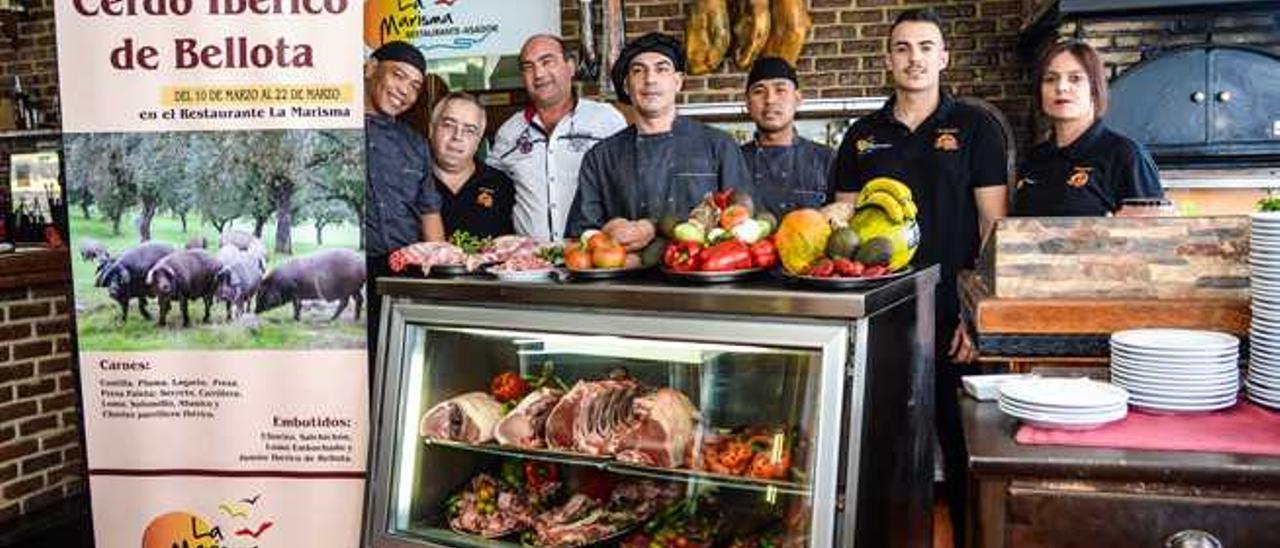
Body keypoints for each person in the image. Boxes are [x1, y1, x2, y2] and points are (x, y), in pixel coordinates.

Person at [827, 9, 1008, 546]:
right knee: (885, 444)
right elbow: (842, 227)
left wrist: (979, 313)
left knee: (961, 445)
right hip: (884, 311)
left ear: (943, 58)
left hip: (954, 310)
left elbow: (994, 227)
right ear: (888, 59)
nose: (914, 58)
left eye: (926, 47)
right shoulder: (862, 137)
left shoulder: (976, 129)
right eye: (903, 48)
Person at [566, 32, 753, 246]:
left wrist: (653, 229)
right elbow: (580, 233)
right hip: (624, 277)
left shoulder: (719, 146)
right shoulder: (600, 157)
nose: (650, 79)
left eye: (661, 69)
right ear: (627, 86)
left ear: (678, 82)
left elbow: (741, 224)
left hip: (700, 272)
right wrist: (605, 232)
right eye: (638, 71)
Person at [488, 34, 628, 243]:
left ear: (570, 67)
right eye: (528, 67)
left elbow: (627, 185)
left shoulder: (606, 120)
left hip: (593, 259)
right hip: (530, 265)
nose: (538, 73)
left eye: (547, 62)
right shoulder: (509, 131)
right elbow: (488, 188)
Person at [364, 41, 445, 374]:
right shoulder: (328, 127)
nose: (405, 92)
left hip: (401, 274)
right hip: (348, 273)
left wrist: (440, 272)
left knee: (397, 369)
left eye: (415, 86)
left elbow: (429, 213)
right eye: (398, 76)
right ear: (370, 68)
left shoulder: (415, 144)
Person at [1012, 40, 1164, 217]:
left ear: (1094, 88)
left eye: (1075, 79)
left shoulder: (1125, 155)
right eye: (1050, 79)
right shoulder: (1035, 158)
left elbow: (1154, 237)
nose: (1061, 87)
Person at [741, 57, 832, 216]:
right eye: (759, 91)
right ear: (748, 103)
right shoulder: (732, 160)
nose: (770, 100)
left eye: (780, 90)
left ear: (797, 99)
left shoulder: (827, 159)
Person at [429, 91, 516, 239]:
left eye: (469, 130)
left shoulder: (501, 186)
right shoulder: (410, 182)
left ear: (478, 140)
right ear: (431, 130)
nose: (458, 136)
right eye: (449, 125)